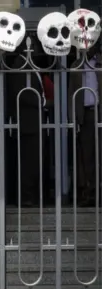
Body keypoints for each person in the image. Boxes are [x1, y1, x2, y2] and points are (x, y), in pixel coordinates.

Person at [7, 38, 51, 207]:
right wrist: (42, 103)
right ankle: (27, 197)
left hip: (35, 122)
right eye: (33, 47)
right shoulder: (20, 65)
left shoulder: (30, 65)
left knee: (34, 161)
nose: (36, 50)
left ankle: (34, 195)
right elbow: (22, 94)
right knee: (28, 163)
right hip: (28, 124)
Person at [68, 43, 102, 207]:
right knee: (87, 156)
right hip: (87, 114)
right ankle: (89, 192)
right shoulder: (76, 66)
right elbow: (71, 94)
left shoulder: (100, 64)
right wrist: (73, 119)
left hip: (99, 112)